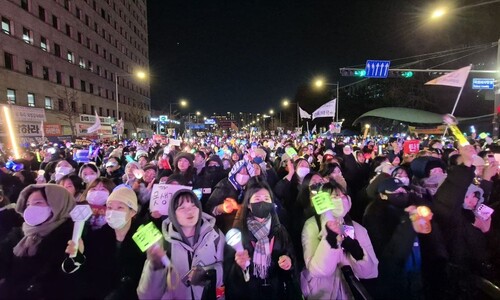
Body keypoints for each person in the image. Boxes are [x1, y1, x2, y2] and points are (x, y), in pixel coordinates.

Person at [137, 189, 225, 299]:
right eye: (182, 208)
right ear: (173, 214)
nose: (190, 211)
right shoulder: (163, 244)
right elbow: (147, 296)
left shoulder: (215, 235)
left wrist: (207, 273)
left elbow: (224, 271)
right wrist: (155, 266)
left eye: (193, 206)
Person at [224, 179, 302, 300]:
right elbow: (228, 272)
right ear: (248, 204)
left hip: (276, 292)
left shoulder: (280, 231)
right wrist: (239, 267)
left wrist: (288, 263)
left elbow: (291, 257)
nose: (262, 203)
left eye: (266, 199)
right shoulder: (238, 234)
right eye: (257, 199)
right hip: (248, 293)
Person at [301, 180, 378, 299]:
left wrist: (356, 251)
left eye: (344, 195)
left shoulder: (358, 228)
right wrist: (330, 240)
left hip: (349, 292)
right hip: (321, 292)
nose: (341, 199)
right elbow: (318, 270)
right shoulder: (312, 225)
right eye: (335, 196)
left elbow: (371, 272)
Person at [65, 186, 146, 300]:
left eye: (120, 207)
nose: (113, 212)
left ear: (132, 212)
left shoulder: (145, 235)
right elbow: (85, 274)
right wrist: (77, 256)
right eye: (109, 207)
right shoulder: (97, 236)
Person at [0, 184, 76, 299]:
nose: (30, 208)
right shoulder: (20, 233)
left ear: (58, 204)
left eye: (38, 203)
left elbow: (69, 281)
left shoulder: (72, 237)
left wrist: (76, 259)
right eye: (28, 204)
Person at [206, 160, 254, 233]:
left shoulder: (251, 189)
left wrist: (238, 206)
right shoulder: (223, 186)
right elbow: (208, 208)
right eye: (240, 172)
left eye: (246, 172)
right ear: (234, 171)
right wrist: (220, 208)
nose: (242, 175)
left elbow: (253, 207)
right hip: (222, 229)